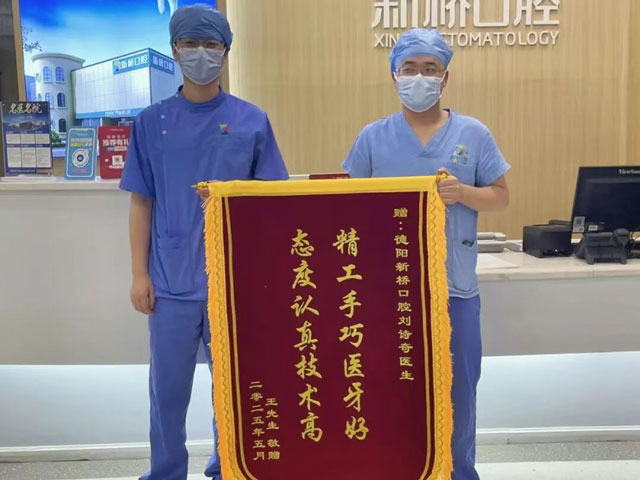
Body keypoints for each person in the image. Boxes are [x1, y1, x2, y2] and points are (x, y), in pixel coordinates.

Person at [120, 5, 288, 480]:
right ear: (175, 50)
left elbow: (271, 205)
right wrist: (138, 274)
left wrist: (266, 279)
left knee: (233, 388)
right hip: (170, 281)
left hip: (234, 284)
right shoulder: (151, 122)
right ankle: (166, 471)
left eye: (211, 44)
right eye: (190, 43)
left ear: (226, 51)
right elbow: (141, 202)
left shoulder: (251, 120)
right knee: (167, 390)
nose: (201, 53)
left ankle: (227, 468)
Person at [342, 28, 510, 480]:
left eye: (430, 69)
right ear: (394, 76)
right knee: (391, 395)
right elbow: (346, 206)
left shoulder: (472, 134)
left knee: (458, 396)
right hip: (388, 295)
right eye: (410, 69)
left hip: (455, 291)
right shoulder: (373, 138)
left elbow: (501, 196)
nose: (420, 77)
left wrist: (464, 193)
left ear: (445, 78)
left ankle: (459, 473)